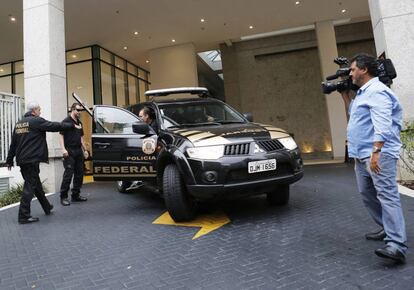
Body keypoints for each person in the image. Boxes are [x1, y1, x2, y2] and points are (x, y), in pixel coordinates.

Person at [341, 53, 407, 263]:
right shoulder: (362, 93)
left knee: (387, 196)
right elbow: (353, 118)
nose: (349, 73)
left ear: (364, 70)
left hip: (377, 154)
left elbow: (383, 124)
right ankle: (386, 228)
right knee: (367, 194)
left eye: (352, 69)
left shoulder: (377, 91)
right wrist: (344, 96)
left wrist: (376, 151)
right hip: (361, 155)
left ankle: (397, 246)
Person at [6, 101, 80, 224]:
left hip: (22, 160)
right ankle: (23, 216)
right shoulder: (36, 121)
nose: (40, 112)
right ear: (34, 110)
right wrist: (71, 126)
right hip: (32, 159)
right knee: (29, 186)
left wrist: (9, 160)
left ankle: (46, 207)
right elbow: (53, 126)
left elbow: (13, 144)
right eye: (39, 110)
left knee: (36, 185)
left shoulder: (19, 124)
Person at [59, 103, 89, 206]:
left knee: (79, 174)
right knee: (68, 175)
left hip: (78, 151)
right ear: (72, 109)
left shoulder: (79, 123)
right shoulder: (66, 122)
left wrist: (85, 150)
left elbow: (81, 137)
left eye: (81, 110)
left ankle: (75, 195)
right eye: (78, 110)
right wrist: (63, 149)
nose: (79, 112)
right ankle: (63, 197)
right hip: (69, 151)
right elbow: (61, 136)